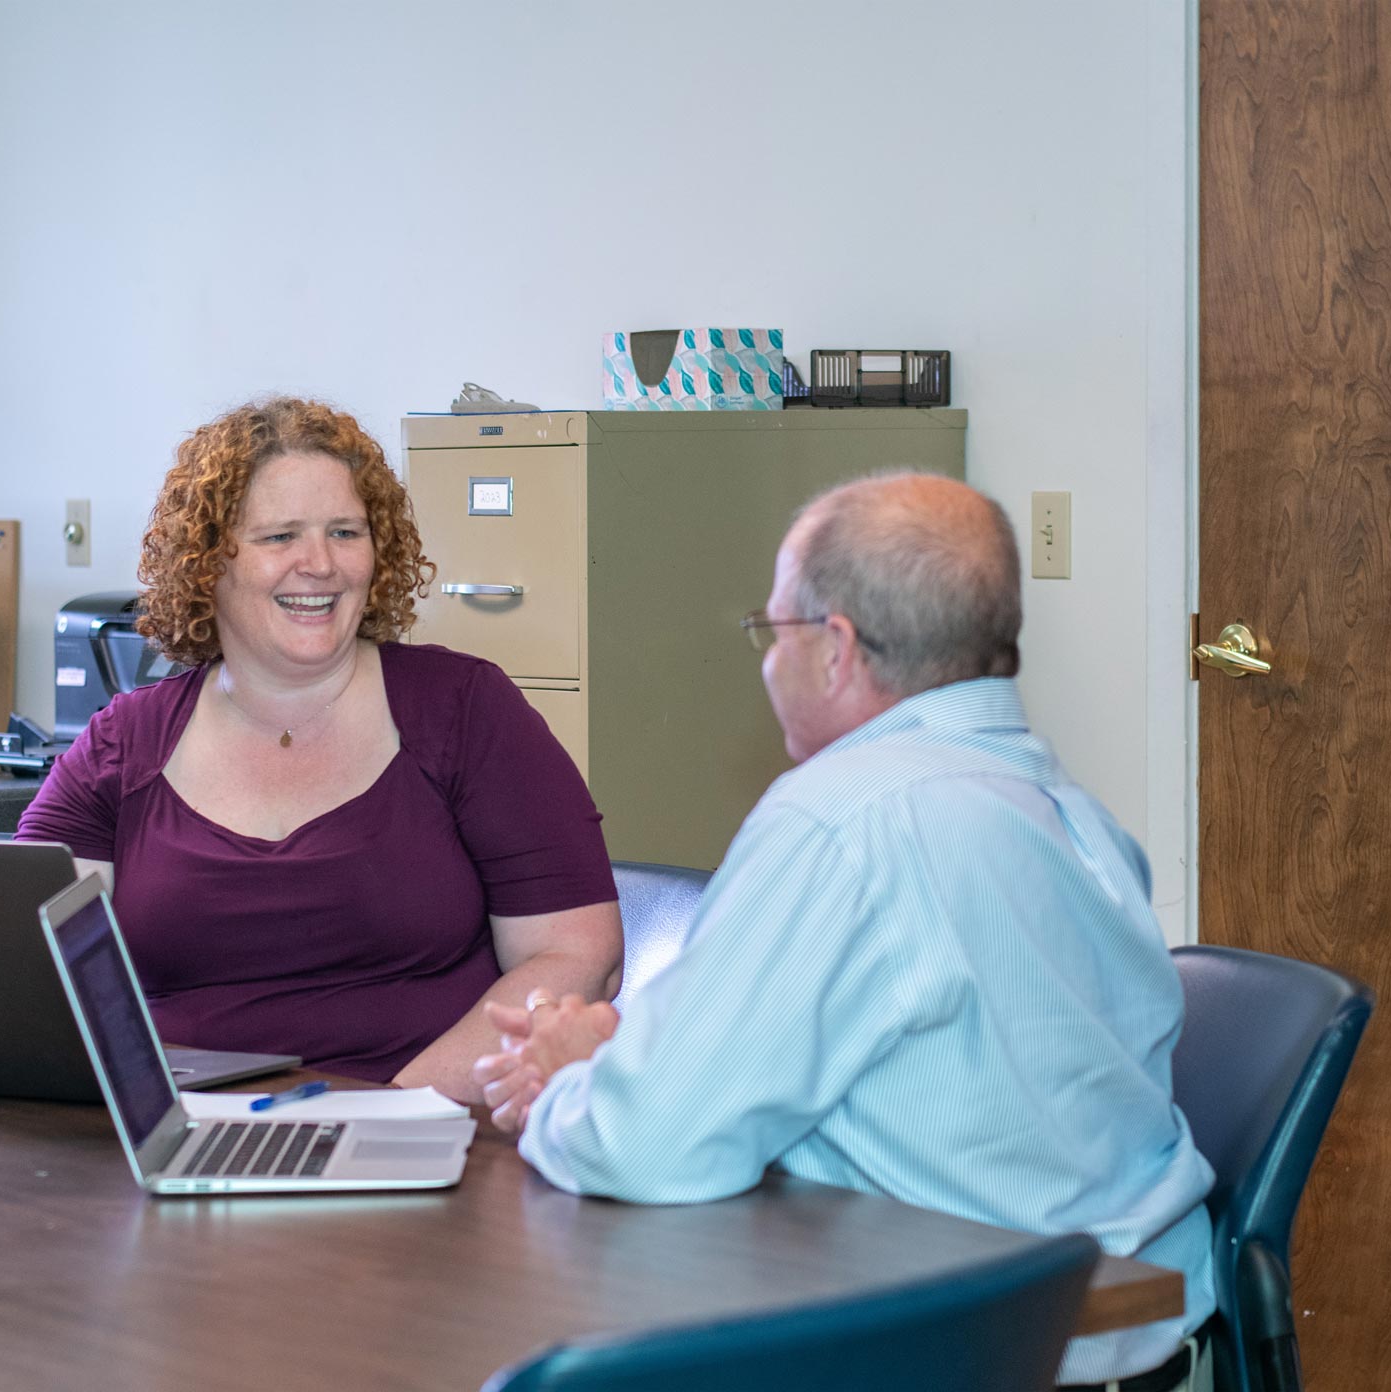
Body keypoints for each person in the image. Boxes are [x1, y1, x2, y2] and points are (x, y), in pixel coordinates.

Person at [471, 473, 1215, 1390]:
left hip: (963, 1349)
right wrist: (631, 1055)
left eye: (771, 631)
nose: (764, 661)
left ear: (835, 648)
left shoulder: (843, 822)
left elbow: (647, 1146)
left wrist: (573, 1086)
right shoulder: (1070, 812)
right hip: (1125, 1331)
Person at [15, 396, 621, 1101]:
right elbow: (26, 961)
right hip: (187, 1138)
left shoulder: (464, 711)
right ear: (209, 561)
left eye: (345, 532)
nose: (321, 564)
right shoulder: (124, 745)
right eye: (280, 537)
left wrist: (395, 1111)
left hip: (425, 1133)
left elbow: (577, 955)